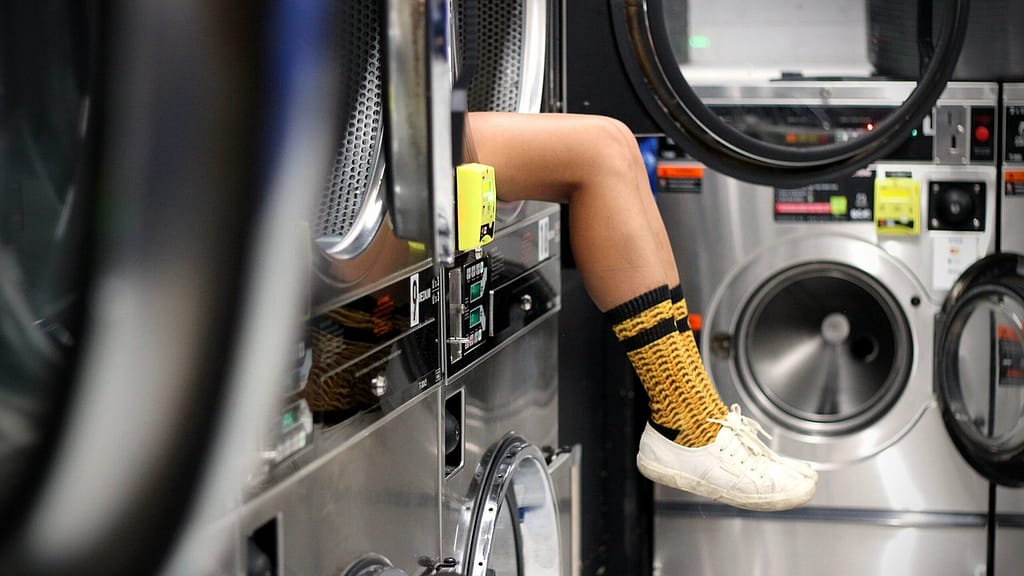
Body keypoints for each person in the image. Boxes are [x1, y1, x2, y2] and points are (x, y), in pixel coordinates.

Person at [464, 111, 817, 511]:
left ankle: (693, 412)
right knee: (600, 149)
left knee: (617, 138)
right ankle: (686, 419)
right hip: (386, 136)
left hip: (411, 112)